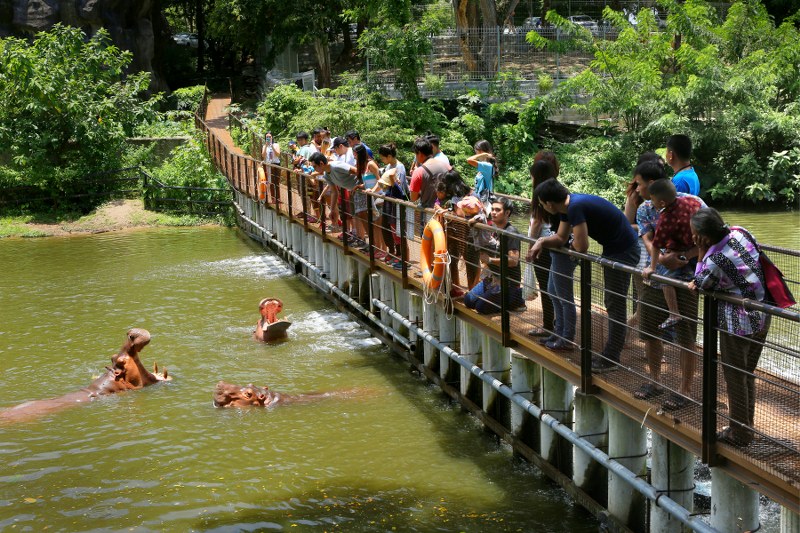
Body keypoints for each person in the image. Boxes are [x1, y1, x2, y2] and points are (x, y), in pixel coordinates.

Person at [531, 179, 640, 366]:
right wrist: (542, 241)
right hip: (614, 249)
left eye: (541, 204)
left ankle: (611, 357)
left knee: (615, 304)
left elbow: (582, 246)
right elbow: (560, 237)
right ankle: (610, 354)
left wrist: (571, 249)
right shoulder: (568, 206)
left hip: (623, 251)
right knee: (613, 302)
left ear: (549, 203)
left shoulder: (575, 207)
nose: (542, 208)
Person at [688, 208, 770, 446]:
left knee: (735, 376)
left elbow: (701, 282)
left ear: (702, 236)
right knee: (746, 374)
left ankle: (741, 434)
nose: (691, 237)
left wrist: (701, 253)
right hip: (762, 313)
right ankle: (744, 426)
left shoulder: (716, 259)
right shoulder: (740, 232)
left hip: (738, 323)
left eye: (694, 233)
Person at [632, 161, 706, 409]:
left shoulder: (692, 203)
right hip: (657, 280)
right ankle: (654, 381)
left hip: (687, 281)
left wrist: (683, 258)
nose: (636, 188)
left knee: (686, 337)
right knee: (650, 330)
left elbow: (713, 235)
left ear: (652, 185)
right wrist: (663, 260)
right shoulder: (644, 210)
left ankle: (684, 391)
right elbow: (649, 241)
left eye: (639, 183)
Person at [643, 179, 703, 330]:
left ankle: (674, 313)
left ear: (662, 203)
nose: (651, 203)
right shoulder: (688, 201)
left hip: (677, 248)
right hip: (694, 246)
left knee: (665, 280)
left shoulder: (666, 218)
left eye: (652, 200)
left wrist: (652, 267)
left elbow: (657, 244)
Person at [464, 198, 525, 314]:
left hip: (508, 283)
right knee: (468, 301)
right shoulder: (493, 228)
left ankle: (517, 299)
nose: (493, 212)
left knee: (480, 307)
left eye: (498, 210)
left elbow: (513, 261)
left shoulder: (511, 232)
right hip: (493, 279)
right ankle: (508, 298)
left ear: (507, 213)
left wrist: (490, 260)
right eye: (492, 209)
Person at [525, 159, 558, 339]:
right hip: (554, 242)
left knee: (546, 286)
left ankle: (548, 325)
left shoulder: (540, 193)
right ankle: (556, 324)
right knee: (555, 286)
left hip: (542, 245)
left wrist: (530, 246)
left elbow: (537, 222)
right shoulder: (555, 189)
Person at [409, 136, 451, 236]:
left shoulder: (419, 172)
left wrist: (422, 191)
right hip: (445, 212)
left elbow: (413, 198)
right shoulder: (446, 166)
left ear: (419, 153)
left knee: (427, 244)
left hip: (428, 212)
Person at [467, 140, 497, 207]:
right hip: (480, 200)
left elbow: (469, 160)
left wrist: (484, 154)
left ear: (480, 151)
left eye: (476, 151)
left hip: (484, 202)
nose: (476, 154)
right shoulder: (485, 165)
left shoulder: (487, 165)